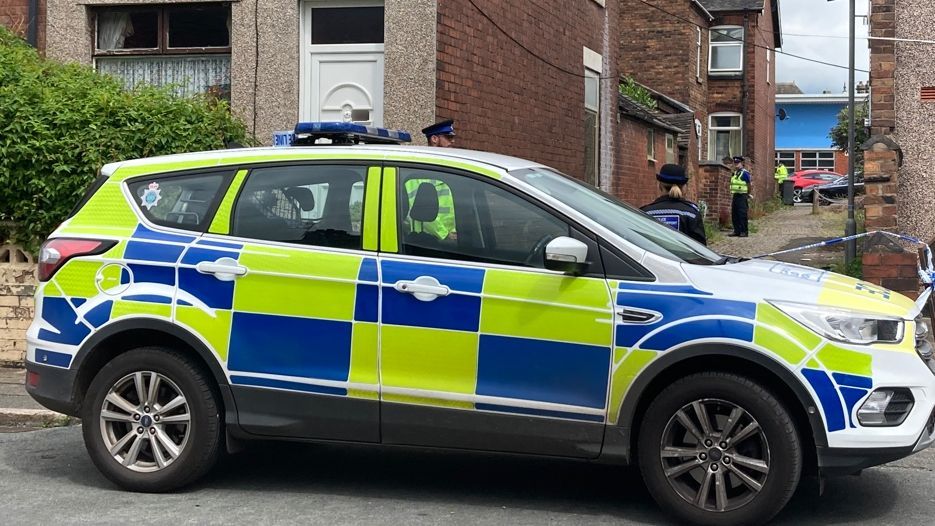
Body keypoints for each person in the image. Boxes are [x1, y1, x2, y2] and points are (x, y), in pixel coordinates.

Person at [403, 119, 458, 240]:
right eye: (448, 138)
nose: (452, 141)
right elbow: (422, 212)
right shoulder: (424, 172)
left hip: (450, 242)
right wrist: (446, 234)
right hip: (428, 241)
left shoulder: (447, 168)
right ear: (434, 139)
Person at [641, 164, 707, 245]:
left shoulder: (645, 212)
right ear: (683, 187)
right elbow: (701, 248)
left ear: (660, 186)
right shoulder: (691, 213)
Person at [729, 156, 751, 237]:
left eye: (738, 163)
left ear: (742, 163)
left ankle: (744, 231)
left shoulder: (745, 173)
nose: (736, 164)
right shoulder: (735, 173)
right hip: (736, 195)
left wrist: (748, 194)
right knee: (734, 214)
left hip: (742, 195)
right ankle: (736, 231)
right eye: (735, 163)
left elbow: (749, 185)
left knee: (742, 214)